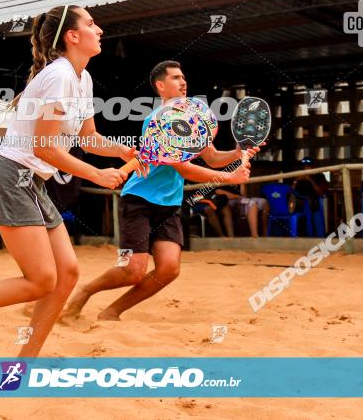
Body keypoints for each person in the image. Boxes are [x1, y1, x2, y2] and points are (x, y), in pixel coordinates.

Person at [0, 5, 142, 358]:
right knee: (42, 279)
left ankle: (24, 363)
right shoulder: (58, 76)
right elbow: (44, 148)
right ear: (72, 36)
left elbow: (89, 138)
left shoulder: (82, 78)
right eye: (91, 24)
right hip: (10, 177)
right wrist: (96, 174)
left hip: (32, 183)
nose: (99, 29)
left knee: (68, 274)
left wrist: (121, 151)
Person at [62, 60, 253, 321]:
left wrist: (237, 152)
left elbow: (210, 157)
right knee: (133, 270)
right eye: (175, 78)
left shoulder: (195, 118)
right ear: (161, 86)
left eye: (184, 77)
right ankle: (84, 292)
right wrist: (228, 177)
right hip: (139, 200)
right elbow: (184, 169)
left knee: (169, 270)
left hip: (169, 203)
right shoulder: (157, 121)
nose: (183, 81)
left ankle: (112, 312)